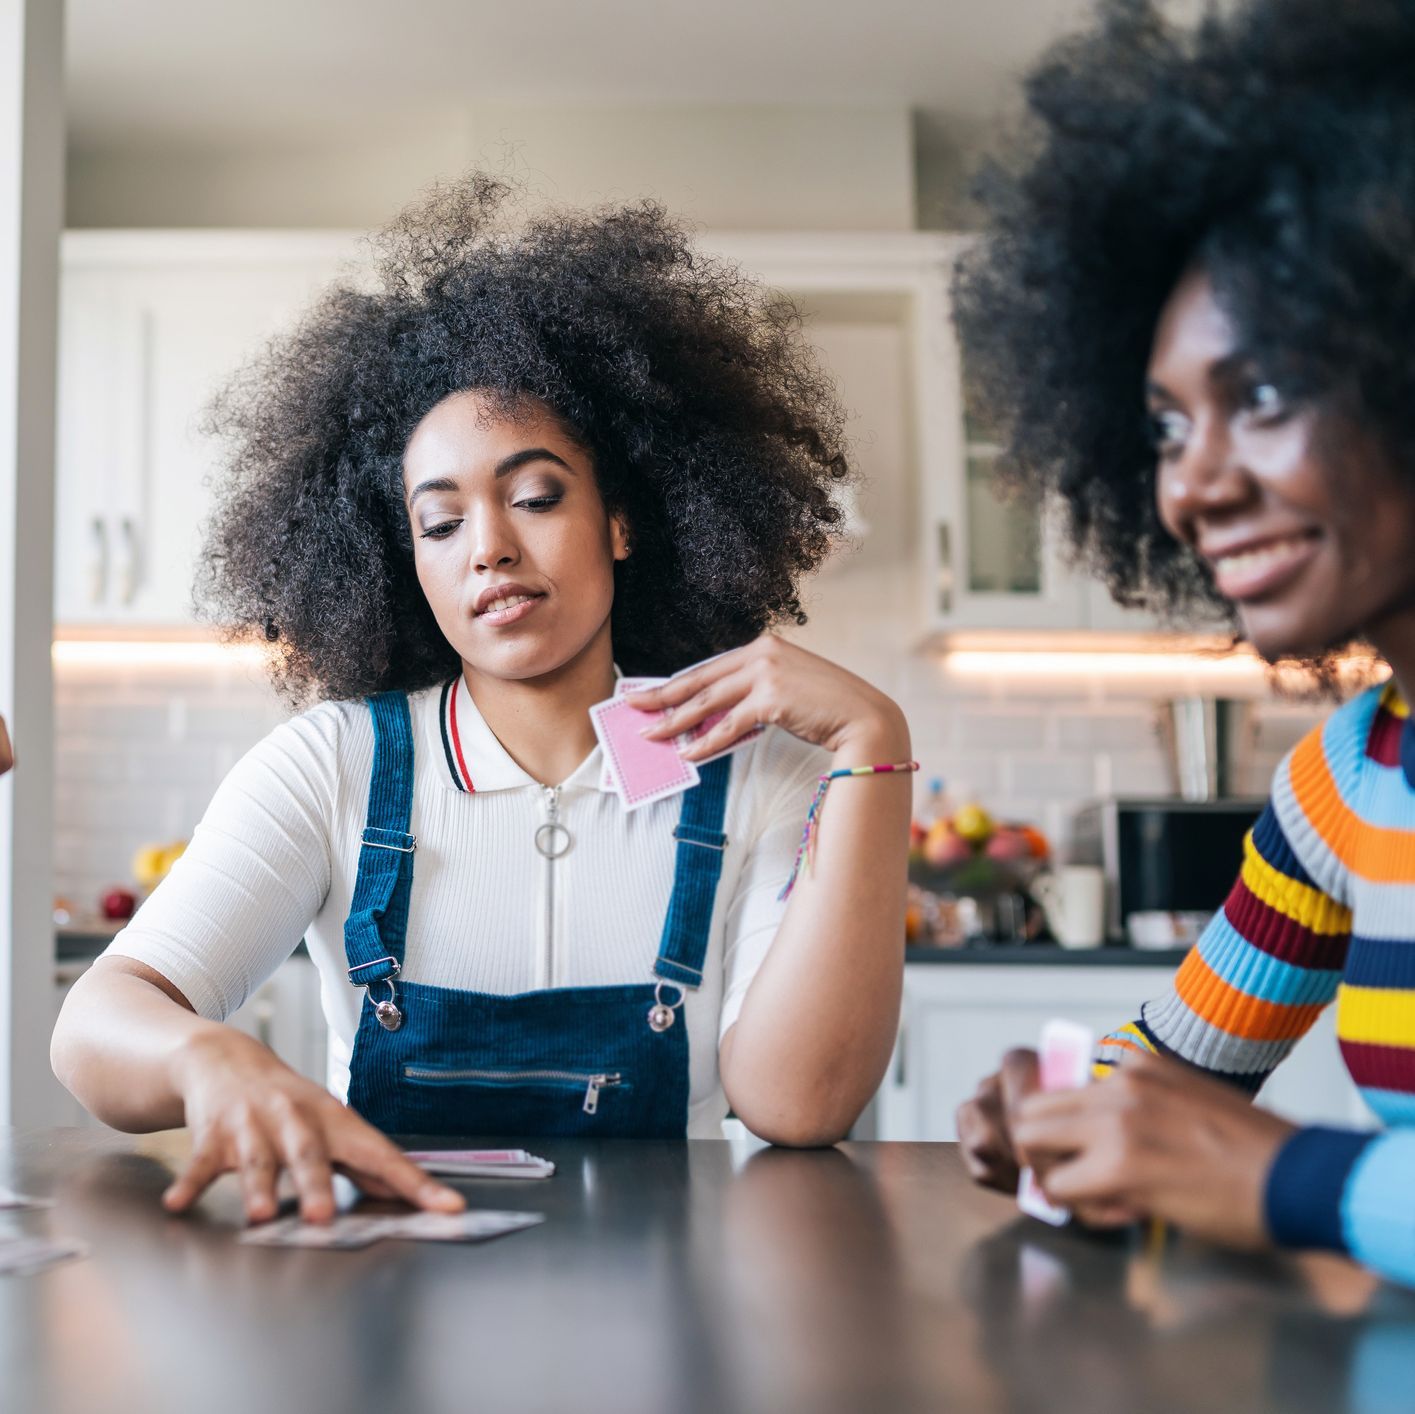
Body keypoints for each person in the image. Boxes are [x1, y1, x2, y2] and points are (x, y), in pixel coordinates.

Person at [51, 177, 913, 1226]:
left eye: (536, 496)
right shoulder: (333, 765)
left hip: (675, 1328)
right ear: (401, 561)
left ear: (624, 522)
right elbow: (93, 1027)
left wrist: (874, 739)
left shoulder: (756, 773)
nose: (491, 546)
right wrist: (207, 1056)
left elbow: (796, 1103)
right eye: (441, 521)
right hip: (386, 1320)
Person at [952, 0, 1415, 1285]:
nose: (1188, 487)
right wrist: (1066, 1114)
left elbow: (1237, 1156)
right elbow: (1176, 1066)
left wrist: (1275, 1176)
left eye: (1258, 394)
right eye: (1163, 426)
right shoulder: (1344, 781)